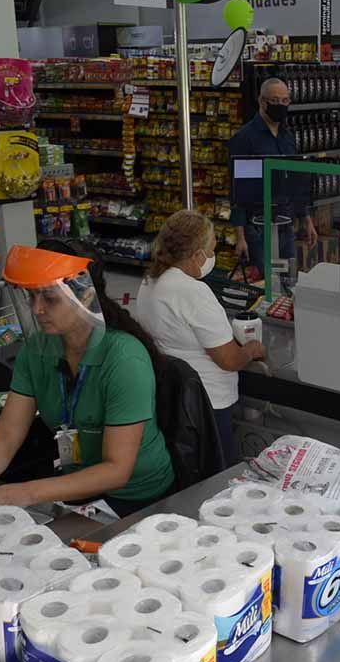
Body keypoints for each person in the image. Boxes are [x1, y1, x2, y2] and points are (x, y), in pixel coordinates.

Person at [0, 244, 174, 516]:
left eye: (49, 299)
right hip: (75, 489)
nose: (37, 309)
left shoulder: (124, 359)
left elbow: (117, 470)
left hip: (137, 499)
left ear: (86, 296)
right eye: (31, 297)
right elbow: (7, 435)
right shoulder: (37, 350)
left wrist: (28, 492)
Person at [134, 210, 265, 465]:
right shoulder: (193, 292)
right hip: (209, 402)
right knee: (219, 470)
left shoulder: (150, 281)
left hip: (174, 396)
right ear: (196, 255)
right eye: (211, 250)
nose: (212, 257)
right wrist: (251, 350)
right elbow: (228, 359)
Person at [227, 77, 317, 275]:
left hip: (285, 222)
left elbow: (296, 181)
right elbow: (239, 191)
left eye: (285, 101)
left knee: (290, 281)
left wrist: (306, 219)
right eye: (275, 101)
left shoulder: (287, 137)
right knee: (268, 284)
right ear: (261, 101)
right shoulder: (246, 139)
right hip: (257, 226)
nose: (281, 105)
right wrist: (240, 237)